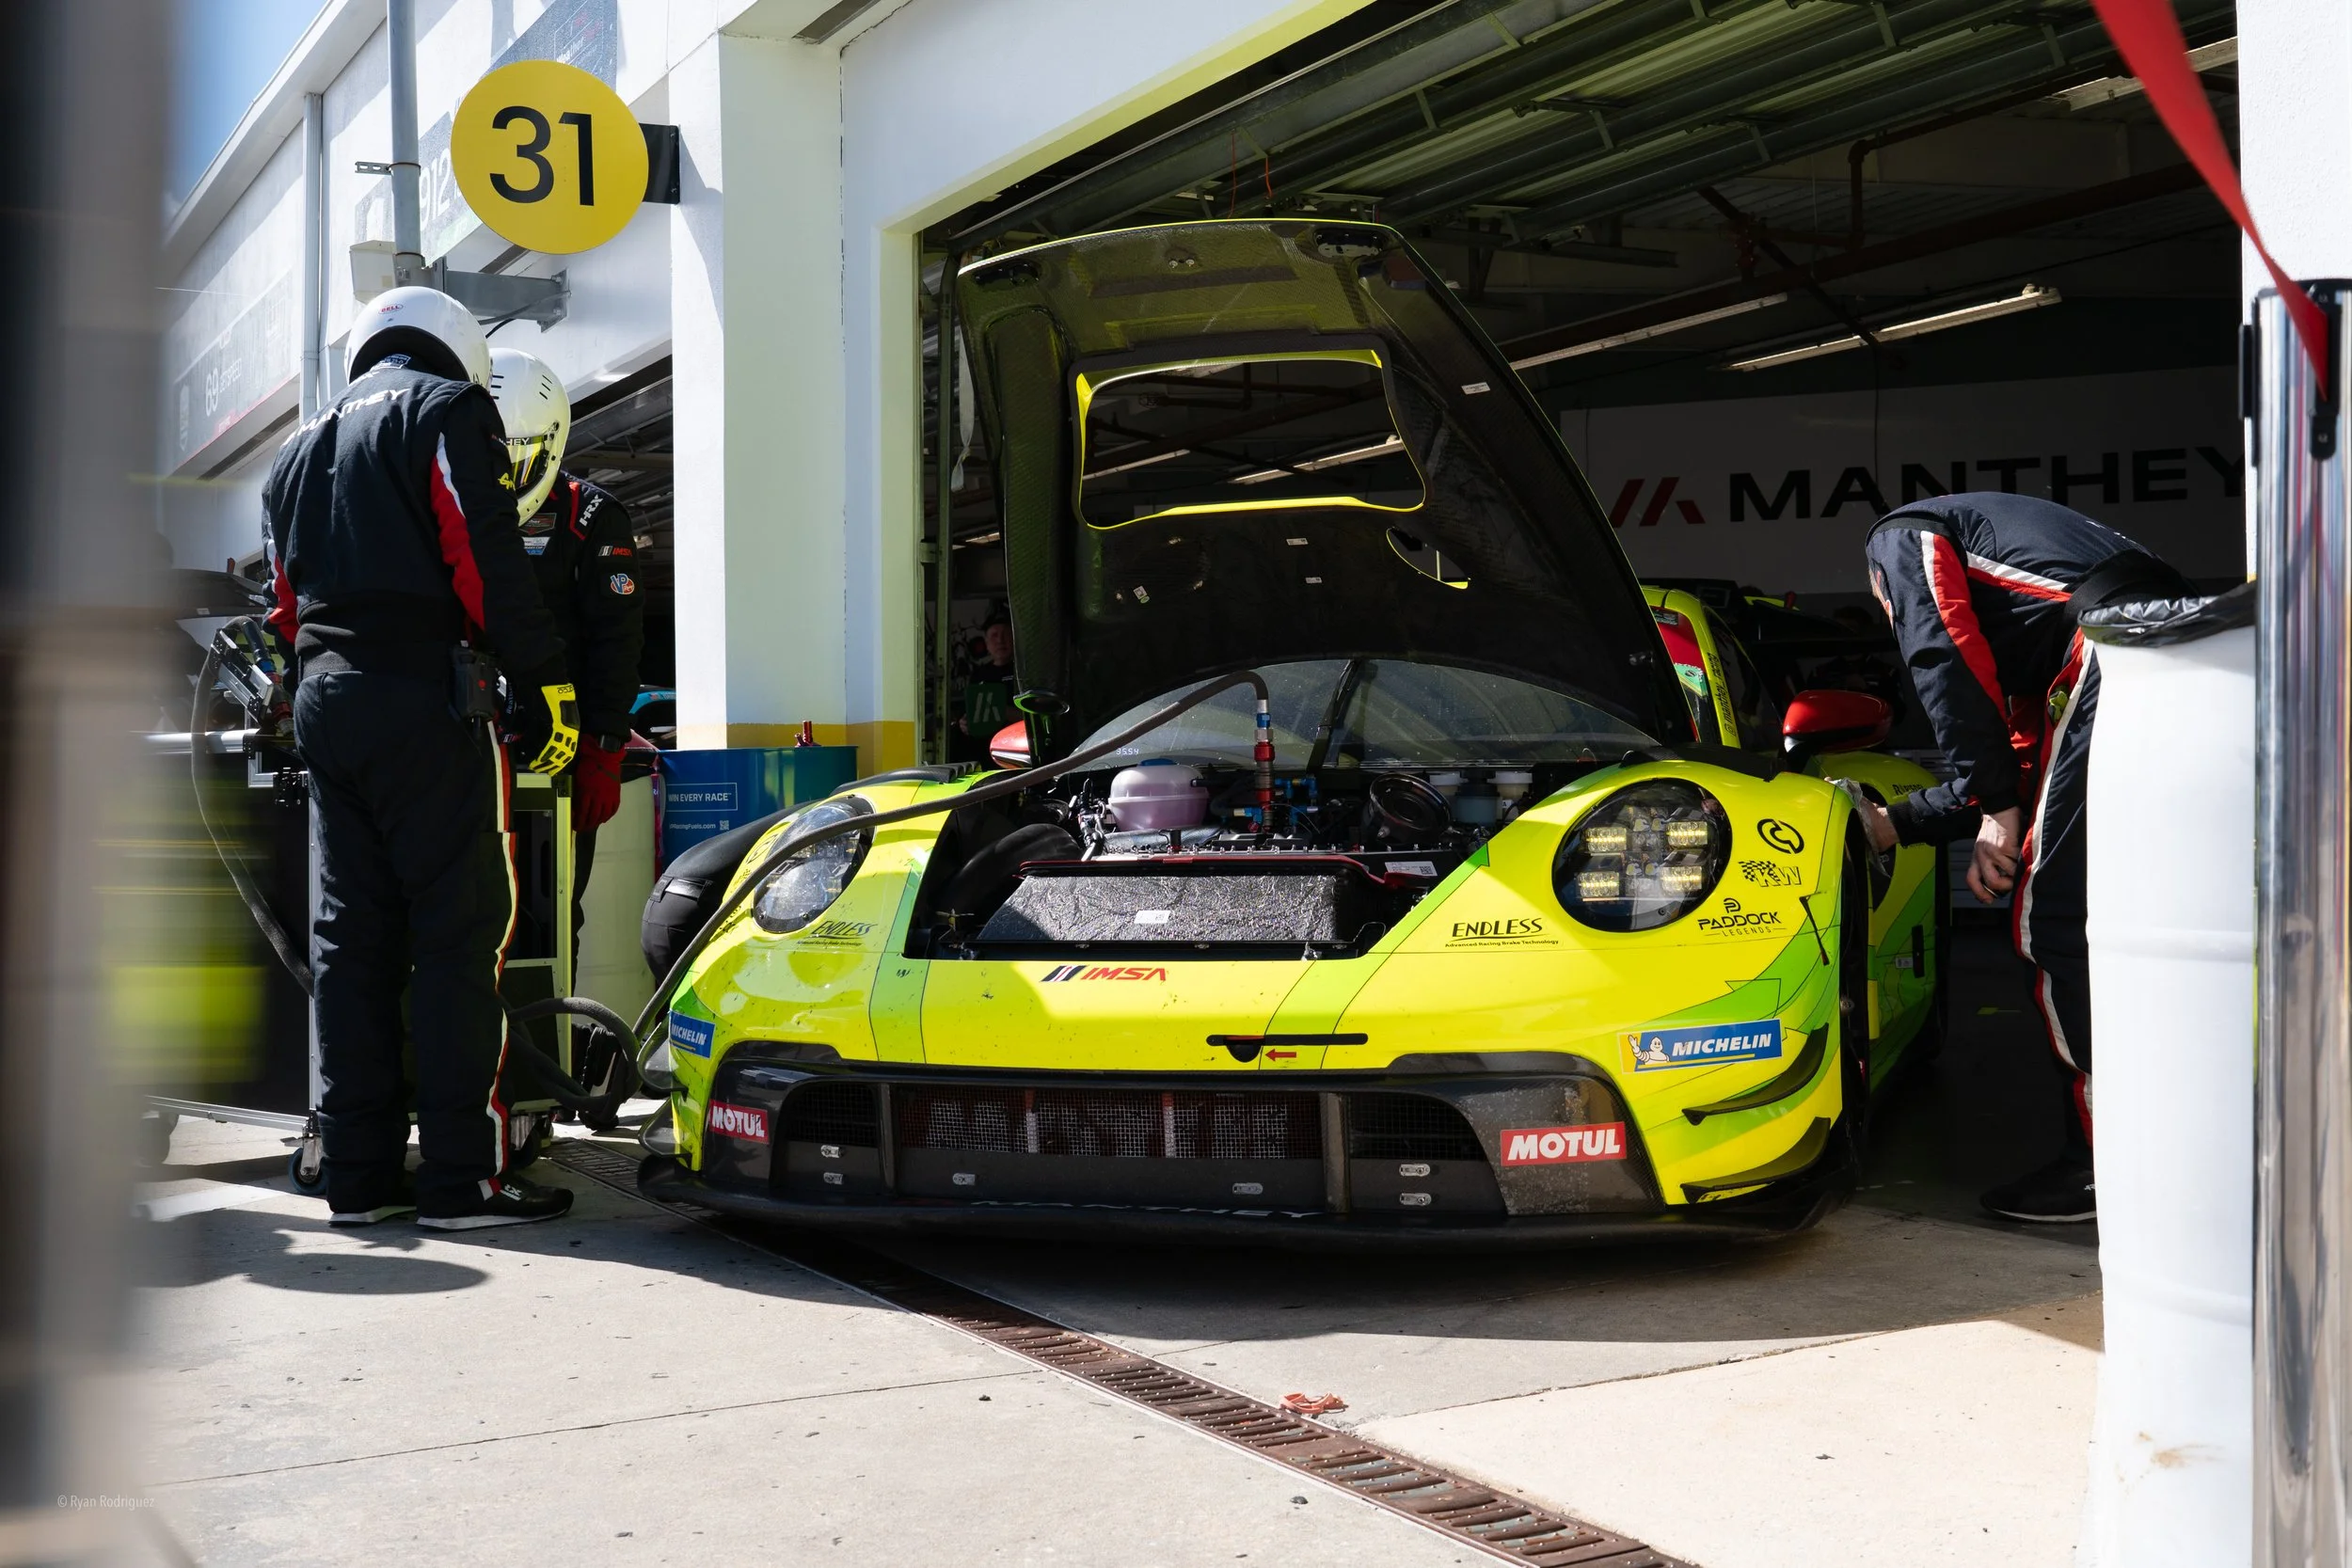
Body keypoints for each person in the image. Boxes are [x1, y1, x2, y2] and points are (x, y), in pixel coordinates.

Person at [262, 287, 580, 1231]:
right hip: (425, 702)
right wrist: (545, 679)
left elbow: (281, 601)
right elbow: (482, 557)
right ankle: (459, 1180)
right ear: (456, 355)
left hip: (324, 702)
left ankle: (355, 1177)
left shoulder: (294, 448)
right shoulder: (443, 412)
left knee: (349, 943)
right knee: (456, 935)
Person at [1850, 493, 2189, 1224]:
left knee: (2052, 921)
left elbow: (1942, 646)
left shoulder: (1898, 537)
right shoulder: (2036, 594)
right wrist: (1901, 824)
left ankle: (2105, 1167)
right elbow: (2020, 764)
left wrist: (1999, 812)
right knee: (2146, 926)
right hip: (2181, 653)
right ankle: (2177, 1145)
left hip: (2114, 650)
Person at [488, 348, 644, 930]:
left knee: (550, 915)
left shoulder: (592, 516)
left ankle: (553, 1021)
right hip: (475, 747)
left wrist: (603, 747)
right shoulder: (457, 508)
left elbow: (618, 638)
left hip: (560, 752)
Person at [952, 610, 1016, 762]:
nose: (1000, 640)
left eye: (1006, 634)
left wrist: (1004, 712)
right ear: (986, 643)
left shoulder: (1024, 673)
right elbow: (966, 711)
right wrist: (964, 724)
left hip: (1015, 749)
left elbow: (1036, 716)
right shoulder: (979, 675)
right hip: (983, 754)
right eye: (994, 635)